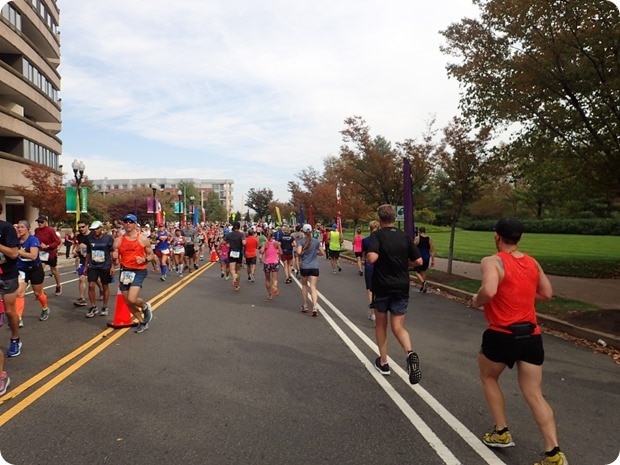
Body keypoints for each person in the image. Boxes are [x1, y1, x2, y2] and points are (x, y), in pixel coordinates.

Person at [472, 218, 567, 465]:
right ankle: (553, 453)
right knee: (534, 393)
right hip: (531, 336)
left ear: (496, 236)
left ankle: (501, 432)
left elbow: (490, 291)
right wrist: (521, 291)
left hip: (502, 334)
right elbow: (547, 293)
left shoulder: (492, 261)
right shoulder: (532, 262)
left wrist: (477, 299)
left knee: (489, 377)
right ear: (519, 238)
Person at [366, 204, 423, 385]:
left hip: (382, 287)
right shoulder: (404, 237)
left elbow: (372, 258)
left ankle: (383, 362)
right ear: (393, 218)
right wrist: (403, 264)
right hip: (401, 286)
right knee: (398, 326)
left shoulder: (377, 236)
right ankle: (409, 352)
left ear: (380, 218)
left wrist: (375, 255)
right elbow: (419, 261)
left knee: (381, 325)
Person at [112, 214, 154, 334]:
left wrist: (144, 259)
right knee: (127, 301)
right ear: (123, 224)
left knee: (132, 298)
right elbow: (115, 259)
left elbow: (151, 255)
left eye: (131, 222)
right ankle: (142, 322)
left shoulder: (142, 239)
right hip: (125, 271)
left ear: (135, 224)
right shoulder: (118, 240)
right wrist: (114, 258)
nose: (128, 224)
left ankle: (145, 306)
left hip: (139, 270)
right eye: (126, 222)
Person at [15, 220, 50, 323]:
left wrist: (19, 252)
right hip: (21, 269)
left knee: (38, 293)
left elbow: (34, 256)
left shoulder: (33, 240)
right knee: (19, 293)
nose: (20, 229)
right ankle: (18, 318)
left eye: (22, 227)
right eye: (18, 227)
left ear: (28, 229)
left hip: (35, 269)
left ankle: (45, 308)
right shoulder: (16, 240)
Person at [0, 204, 22, 369]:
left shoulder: (6, 228)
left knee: (9, 311)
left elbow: (14, 253)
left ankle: (15, 339)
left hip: (7, 275)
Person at [85, 221, 114, 318]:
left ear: (102, 228)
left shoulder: (108, 238)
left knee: (105, 286)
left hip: (105, 265)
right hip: (93, 265)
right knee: (91, 285)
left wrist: (113, 266)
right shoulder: (90, 238)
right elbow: (88, 253)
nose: (95, 231)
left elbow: (111, 252)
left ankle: (105, 306)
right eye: (93, 229)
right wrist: (86, 266)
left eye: (97, 229)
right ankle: (93, 306)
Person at [296, 224, 324, 316]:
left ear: (303, 232)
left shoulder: (301, 242)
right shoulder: (316, 241)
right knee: (313, 287)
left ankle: (305, 305)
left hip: (305, 266)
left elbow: (299, 252)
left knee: (304, 285)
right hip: (314, 266)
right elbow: (322, 252)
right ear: (311, 231)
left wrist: (303, 253)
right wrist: (316, 253)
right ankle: (315, 306)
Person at [34, 215, 62, 295]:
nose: (39, 223)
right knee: (40, 270)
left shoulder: (50, 230)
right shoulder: (37, 230)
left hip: (50, 253)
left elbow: (57, 241)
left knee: (53, 270)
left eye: (41, 222)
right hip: (42, 253)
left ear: (46, 222)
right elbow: (35, 239)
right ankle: (41, 290)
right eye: (38, 222)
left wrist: (48, 246)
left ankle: (58, 285)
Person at [362, 220, 380, 323]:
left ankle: (373, 312)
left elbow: (364, 253)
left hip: (369, 266)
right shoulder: (382, 240)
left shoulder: (366, 240)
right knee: (379, 288)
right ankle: (379, 311)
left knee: (370, 289)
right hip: (380, 266)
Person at [72, 219, 91, 307]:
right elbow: (78, 246)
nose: (81, 229)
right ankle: (82, 299)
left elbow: (96, 247)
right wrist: (76, 251)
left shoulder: (92, 236)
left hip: (93, 260)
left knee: (96, 281)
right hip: (83, 260)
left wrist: (87, 247)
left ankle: (102, 290)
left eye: (83, 227)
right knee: (81, 279)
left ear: (87, 226)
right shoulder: (79, 236)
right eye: (79, 227)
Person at [260, 229, 282, 300]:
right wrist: (278, 249)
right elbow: (281, 252)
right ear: (273, 235)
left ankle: (270, 294)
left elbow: (262, 251)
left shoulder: (265, 243)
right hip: (275, 262)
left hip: (267, 263)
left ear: (266, 235)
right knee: (275, 279)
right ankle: (274, 286)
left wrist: (262, 251)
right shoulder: (277, 243)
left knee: (267, 280)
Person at [224, 221, 244, 291]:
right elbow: (244, 243)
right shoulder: (241, 235)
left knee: (232, 269)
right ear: (239, 227)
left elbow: (224, 241)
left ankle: (234, 277)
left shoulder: (229, 234)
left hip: (232, 251)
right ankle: (237, 285)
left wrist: (227, 244)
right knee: (238, 269)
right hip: (239, 252)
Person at [414, 227, 435, 293]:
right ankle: (422, 287)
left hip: (419, 257)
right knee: (423, 271)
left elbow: (413, 247)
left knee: (417, 272)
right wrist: (433, 260)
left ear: (419, 231)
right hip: (426, 257)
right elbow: (431, 250)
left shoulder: (417, 238)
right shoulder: (429, 239)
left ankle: (423, 282)